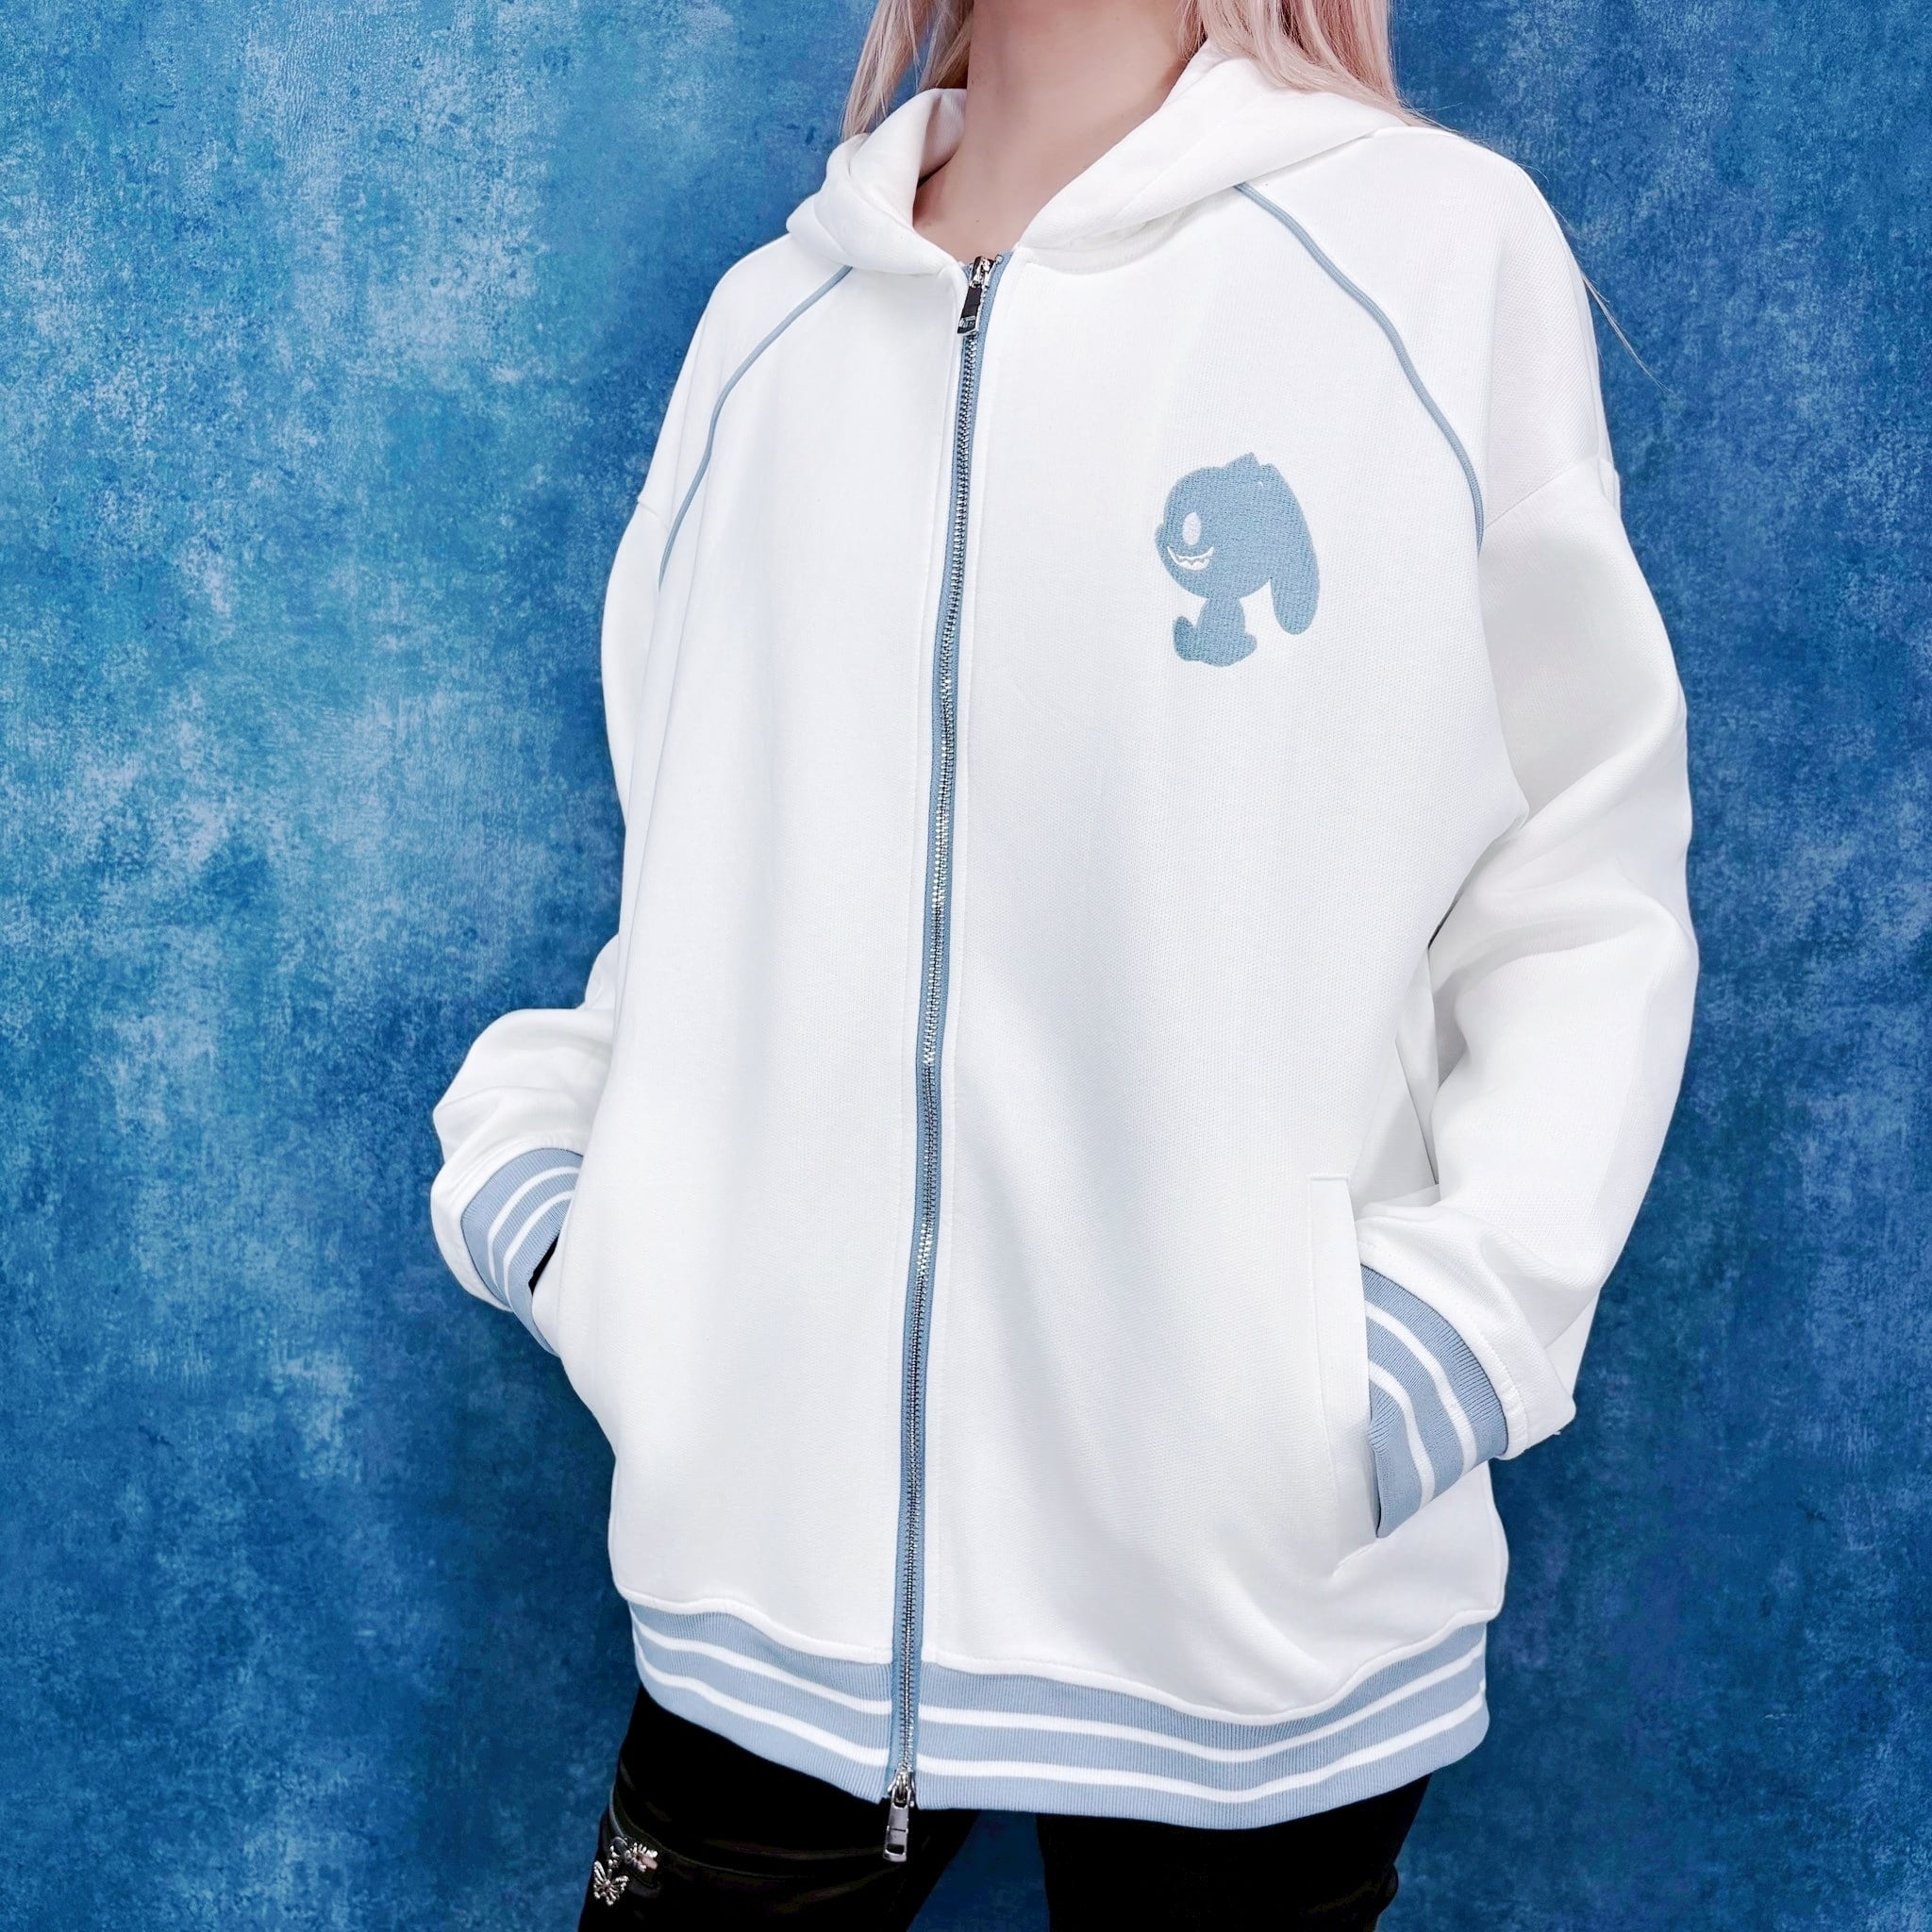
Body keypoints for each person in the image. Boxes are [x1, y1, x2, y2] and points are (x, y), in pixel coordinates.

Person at [429, 0, 1698, 1923]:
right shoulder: (772, 330)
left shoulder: (1428, 251)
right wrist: (583, 1229)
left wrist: (1418, 1357)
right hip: (767, 1576)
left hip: (1251, 1597)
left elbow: (1580, 880)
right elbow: (699, 891)